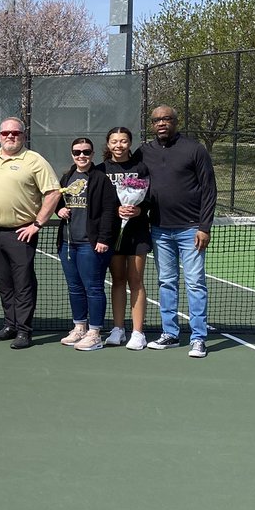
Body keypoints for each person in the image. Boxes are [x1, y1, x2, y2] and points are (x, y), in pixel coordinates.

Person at [141, 106, 217, 358]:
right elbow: (135, 183)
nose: (161, 123)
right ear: (152, 124)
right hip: (160, 230)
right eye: (156, 120)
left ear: (175, 121)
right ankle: (170, 334)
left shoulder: (195, 149)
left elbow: (209, 189)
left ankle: (198, 338)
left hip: (191, 230)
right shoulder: (145, 152)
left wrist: (204, 227)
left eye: (166, 119)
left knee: (195, 283)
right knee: (166, 282)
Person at [0, 117, 61, 349]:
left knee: (23, 284)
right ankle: (10, 325)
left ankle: (24, 331)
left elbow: (53, 192)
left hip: (22, 234)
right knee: (3, 283)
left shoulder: (35, 160)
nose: (10, 136)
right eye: (6, 133)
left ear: (23, 136)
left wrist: (37, 224)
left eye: (15, 133)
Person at [54, 137, 119, 351]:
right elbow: (57, 202)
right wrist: (59, 210)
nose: (81, 155)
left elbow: (110, 211)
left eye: (86, 152)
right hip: (68, 243)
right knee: (75, 288)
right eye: (77, 152)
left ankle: (95, 333)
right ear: (72, 154)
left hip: (90, 245)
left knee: (93, 288)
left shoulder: (101, 179)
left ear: (92, 154)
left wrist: (103, 239)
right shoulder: (67, 177)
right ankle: (79, 327)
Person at [97, 127, 151, 350]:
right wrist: (115, 210)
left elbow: (150, 197)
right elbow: (97, 200)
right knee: (117, 280)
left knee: (135, 280)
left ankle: (138, 333)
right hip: (112, 233)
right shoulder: (101, 170)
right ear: (108, 144)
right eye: (114, 141)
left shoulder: (141, 168)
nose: (118, 145)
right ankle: (118, 329)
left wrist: (139, 210)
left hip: (137, 232)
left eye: (123, 141)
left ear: (129, 143)